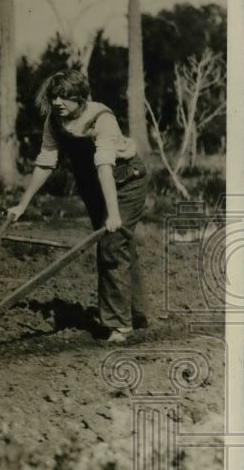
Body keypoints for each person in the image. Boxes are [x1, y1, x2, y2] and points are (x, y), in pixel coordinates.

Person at [8, 69, 148, 343]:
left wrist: (114, 213)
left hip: (126, 182)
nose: (58, 102)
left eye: (65, 97)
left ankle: (120, 325)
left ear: (80, 98)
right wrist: (21, 205)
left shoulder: (102, 118)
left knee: (111, 246)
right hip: (95, 186)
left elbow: (105, 166)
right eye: (54, 96)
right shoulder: (55, 120)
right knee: (120, 246)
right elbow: (46, 162)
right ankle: (137, 314)